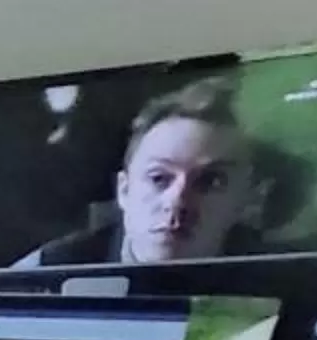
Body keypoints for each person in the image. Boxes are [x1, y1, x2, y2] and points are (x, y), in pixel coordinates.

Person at [15, 77, 269, 267]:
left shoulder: (288, 280)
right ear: (124, 191)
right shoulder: (47, 271)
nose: (177, 202)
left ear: (247, 200)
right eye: (159, 178)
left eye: (211, 181)